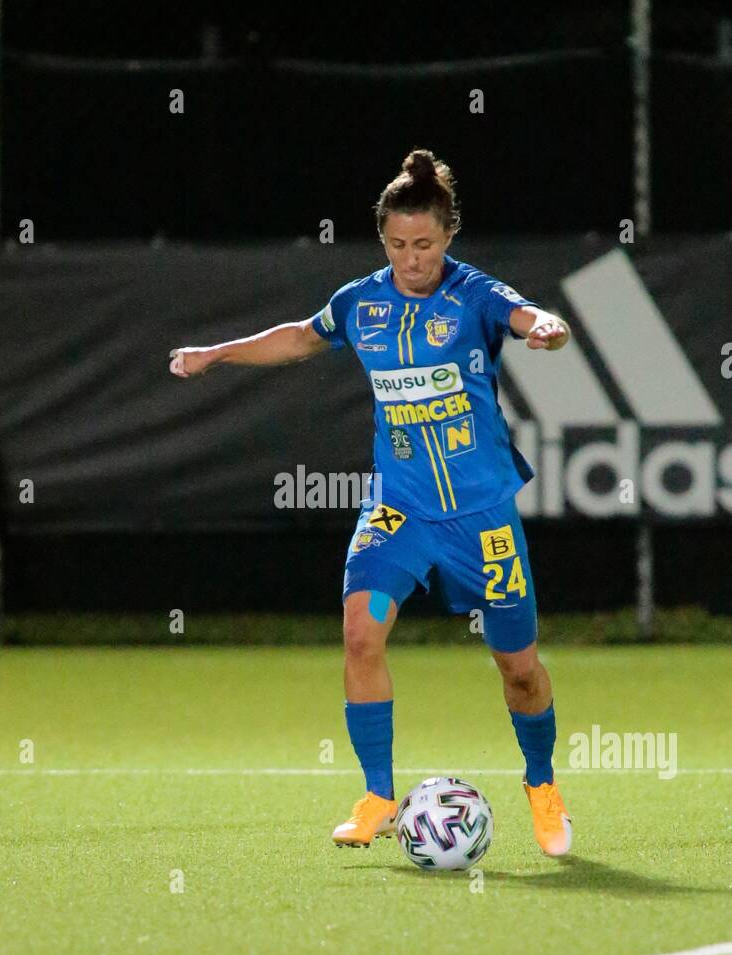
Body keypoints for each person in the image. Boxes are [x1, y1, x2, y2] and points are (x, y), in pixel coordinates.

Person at [169, 149, 576, 856]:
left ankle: (541, 784)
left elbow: (524, 314)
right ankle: (380, 795)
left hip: (481, 513)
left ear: (449, 236)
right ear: (381, 239)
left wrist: (545, 327)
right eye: (396, 244)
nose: (410, 258)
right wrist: (216, 353)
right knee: (360, 633)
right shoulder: (363, 302)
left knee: (518, 666)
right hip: (398, 507)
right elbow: (299, 337)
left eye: (423, 244)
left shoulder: (473, 295)